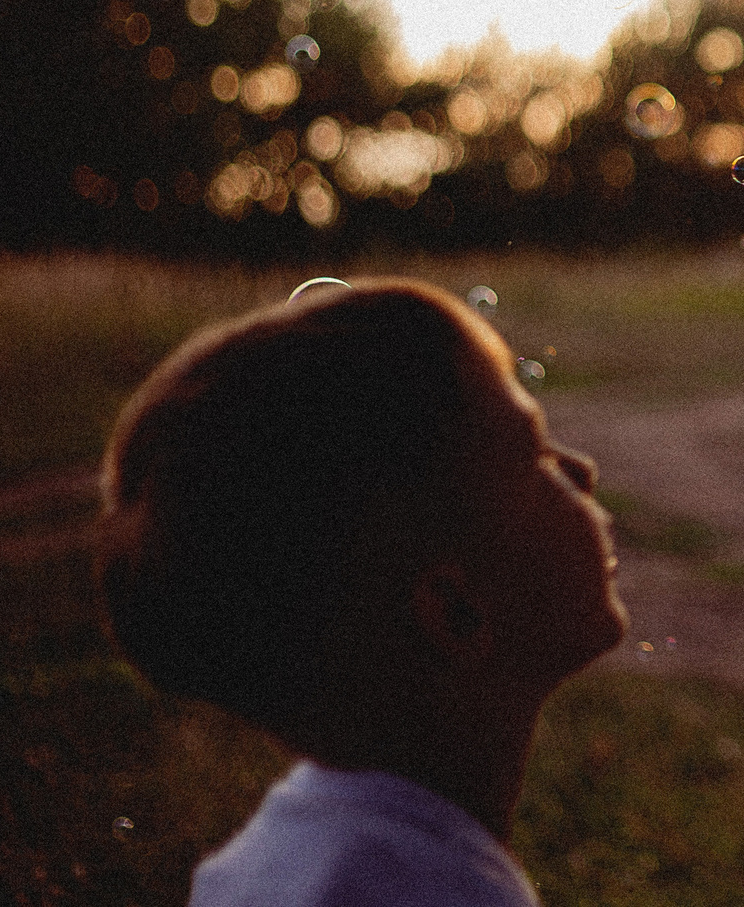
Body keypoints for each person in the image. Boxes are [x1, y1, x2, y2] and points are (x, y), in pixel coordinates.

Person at [96, 281, 627, 907]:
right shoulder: (436, 892)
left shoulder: (281, 858)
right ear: (454, 611)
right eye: (531, 451)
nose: (580, 470)